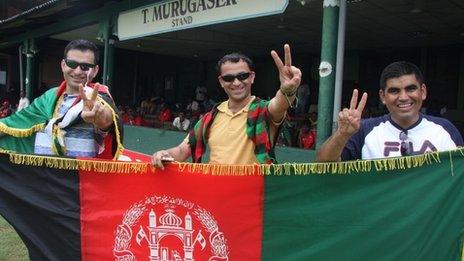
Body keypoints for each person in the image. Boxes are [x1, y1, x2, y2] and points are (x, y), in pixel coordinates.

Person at [152, 44, 301, 168]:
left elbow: (279, 105)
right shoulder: (210, 117)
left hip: (251, 198)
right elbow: (181, 151)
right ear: (221, 82)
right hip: (215, 196)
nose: (236, 83)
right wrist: (165, 154)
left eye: (243, 76)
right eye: (229, 78)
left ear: (252, 77)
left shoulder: (263, 111)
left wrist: (288, 90)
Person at [316, 61, 463, 161]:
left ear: (423, 91)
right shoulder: (364, 129)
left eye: (411, 88)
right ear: (383, 96)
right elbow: (323, 164)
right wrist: (342, 134)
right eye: (394, 91)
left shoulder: (445, 129)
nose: (403, 97)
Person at [0, 39, 122, 159]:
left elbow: (107, 119)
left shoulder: (98, 98)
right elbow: (15, 122)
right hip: (39, 175)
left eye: (85, 66)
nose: (78, 71)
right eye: (72, 64)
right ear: (63, 65)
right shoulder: (48, 97)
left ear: (95, 71)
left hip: (79, 177)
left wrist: (100, 119)